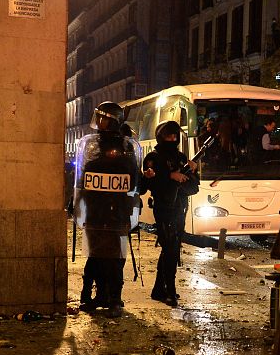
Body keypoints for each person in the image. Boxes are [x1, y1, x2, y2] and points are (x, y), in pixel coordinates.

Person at [71, 101, 140, 317]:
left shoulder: (127, 148)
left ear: (113, 121)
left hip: (117, 212)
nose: (99, 123)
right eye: (98, 118)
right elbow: (82, 180)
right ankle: (95, 296)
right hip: (95, 211)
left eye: (103, 119)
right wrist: (76, 204)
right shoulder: (90, 146)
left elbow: (134, 182)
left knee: (115, 258)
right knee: (95, 255)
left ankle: (114, 299)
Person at [140, 120, 198, 307]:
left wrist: (191, 173)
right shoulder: (153, 157)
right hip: (163, 208)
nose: (172, 139)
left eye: (175, 136)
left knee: (171, 249)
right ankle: (170, 291)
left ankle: (159, 289)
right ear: (161, 136)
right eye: (168, 136)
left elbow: (192, 188)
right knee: (170, 248)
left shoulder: (181, 157)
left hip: (180, 208)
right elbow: (147, 185)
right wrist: (169, 176)